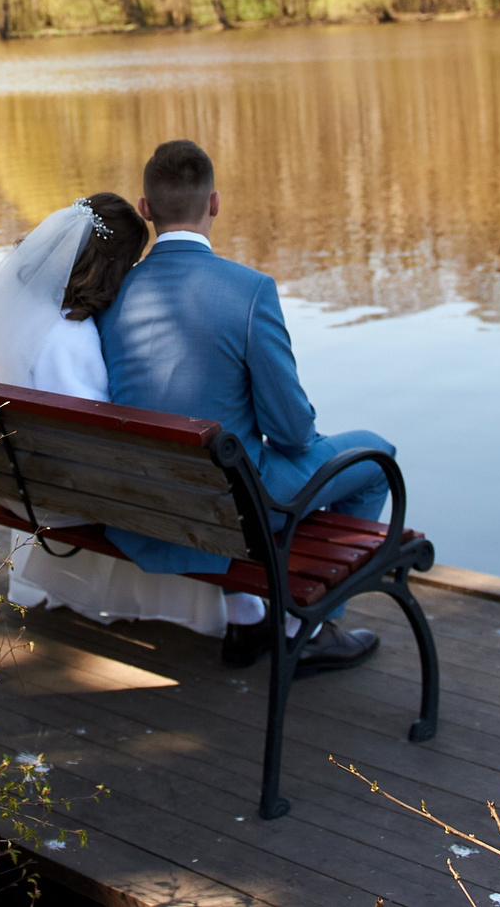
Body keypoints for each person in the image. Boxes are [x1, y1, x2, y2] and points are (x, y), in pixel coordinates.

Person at [97, 139, 392, 673]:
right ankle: (309, 625)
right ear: (214, 203)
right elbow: (293, 433)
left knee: (230, 466)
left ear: (146, 209)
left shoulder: (112, 292)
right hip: (231, 510)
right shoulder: (250, 290)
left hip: (144, 507)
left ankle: (246, 616)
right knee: (374, 458)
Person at [0, 193, 235, 635]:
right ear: (115, 266)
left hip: (1, 480)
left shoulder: (19, 316)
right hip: (57, 500)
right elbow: (101, 449)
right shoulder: (71, 339)